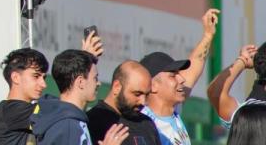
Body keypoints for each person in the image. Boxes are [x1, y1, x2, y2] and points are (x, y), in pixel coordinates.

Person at [139, 8, 219, 145]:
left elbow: (194, 66)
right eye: (173, 75)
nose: (181, 79)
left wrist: (207, 36)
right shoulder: (143, 123)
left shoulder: (174, 109)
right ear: (152, 85)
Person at [32, 49, 126, 145]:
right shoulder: (69, 126)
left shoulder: (65, 119)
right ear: (80, 82)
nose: (98, 83)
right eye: (95, 78)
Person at [86, 61, 159, 145]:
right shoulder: (92, 122)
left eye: (146, 95)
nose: (143, 102)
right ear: (117, 87)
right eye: (137, 94)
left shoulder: (147, 123)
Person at [0, 48, 47, 145]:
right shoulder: (12, 110)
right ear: (15, 77)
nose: (43, 84)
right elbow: (59, 110)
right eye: (36, 76)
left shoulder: (12, 110)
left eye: (44, 78)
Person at [208, 42, 266, 127]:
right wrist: (243, 60)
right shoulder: (249, 111)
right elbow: (216, 94)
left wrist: (243, 60)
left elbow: (216, 94)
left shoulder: (248, 111)